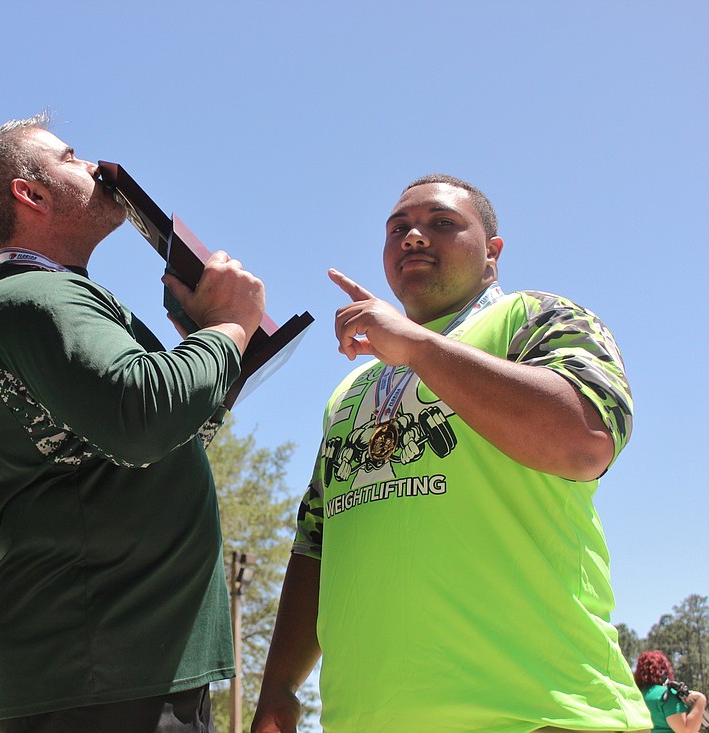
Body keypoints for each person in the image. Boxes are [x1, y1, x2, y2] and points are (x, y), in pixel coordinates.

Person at [251, 174, 652, 733]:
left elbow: (583, 441)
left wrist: (417, 347)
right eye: (398, 229)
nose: (413, 237)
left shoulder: (535, 319)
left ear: (493, 251)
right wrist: (278, 691)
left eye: (442, 224)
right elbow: (316, 544)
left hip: (542, 715)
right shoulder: (349, 394)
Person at [0, 113, 266, 732]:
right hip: (101, 672)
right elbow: (140, 416)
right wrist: (230, 328)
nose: (99, 168)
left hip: (132, 666)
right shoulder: (33, 298)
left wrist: (206, 347)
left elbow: (170, 437)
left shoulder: (54, 298)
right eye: (72, 157)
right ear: (32, 193)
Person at [634, 650, 708, 733]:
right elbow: (686, 730)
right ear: (664, 670)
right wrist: (700, 700)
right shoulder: (667, 695)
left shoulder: (634, 696)